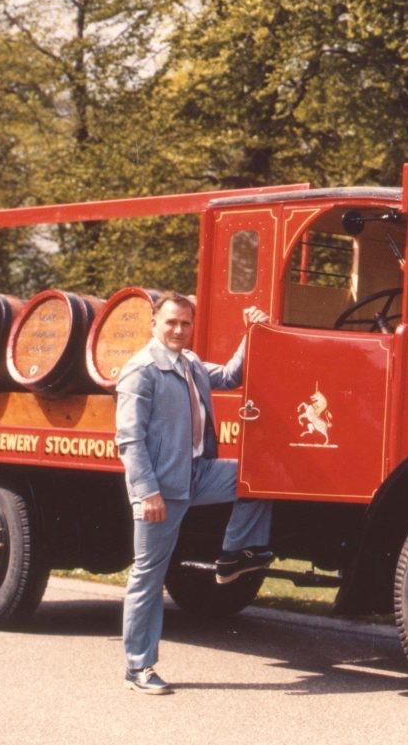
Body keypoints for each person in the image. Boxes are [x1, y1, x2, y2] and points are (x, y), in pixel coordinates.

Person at [115, 291, 273, 695]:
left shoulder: (192, 365)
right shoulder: (142, 371)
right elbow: (129, 440)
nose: (179, 330)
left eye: (185, 323)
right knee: (148, 575)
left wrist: (251, 331)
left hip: (198, 474)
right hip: (162, 489)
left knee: (259, 477)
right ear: (154, 323)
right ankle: (139, 667)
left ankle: (234, 556)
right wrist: (146, 492)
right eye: (171, 322)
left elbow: (233, 376)